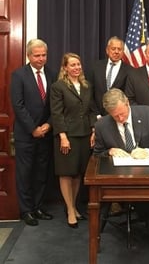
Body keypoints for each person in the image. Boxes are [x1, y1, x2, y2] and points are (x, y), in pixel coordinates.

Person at [93, 88, 149, 251]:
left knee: (143, 190)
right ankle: (148, 225)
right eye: (115, 116)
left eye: (122, 114)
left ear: (127, 103)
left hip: (148, 173)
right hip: (118, 176)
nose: (121, 118)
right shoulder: (102, 125)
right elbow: (97, 154)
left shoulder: (148, 113)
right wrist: (109, 151)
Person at [10, 39, 56, 226]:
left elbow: (56, 104)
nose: (40, 59)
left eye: (43, 55)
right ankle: (26, 210)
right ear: (29, 56)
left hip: (45, 133)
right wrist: (33, 129)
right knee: (25, 173)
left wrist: (49, 125)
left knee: (41, 173)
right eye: (37, 55)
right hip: (25, 135)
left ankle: (37, 207)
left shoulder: (52, 74)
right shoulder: (19, 75)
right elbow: (18, 105)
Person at [50, 53, 97, 228]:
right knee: (66, 172)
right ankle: (69, 209)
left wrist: (93, 130)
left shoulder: (86, 86)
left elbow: (92, 110)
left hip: (84, 135)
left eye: (78, 64)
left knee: (78, 173)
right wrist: (62, 136)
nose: (76, 68)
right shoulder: (58, 87)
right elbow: (56, 113)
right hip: (67, 136)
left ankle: (75, 205)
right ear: (65, 68)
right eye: (72, 65)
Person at [89, 36, 132, 117]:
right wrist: (97, 114)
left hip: (118, 116)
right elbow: (90, 93)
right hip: (97, 116)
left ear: (123, 52)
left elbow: (128, 96)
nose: (116, 52)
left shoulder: (130, 71)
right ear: (107, 50)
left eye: (119, 49)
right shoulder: (96, 67)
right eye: (113, 49)